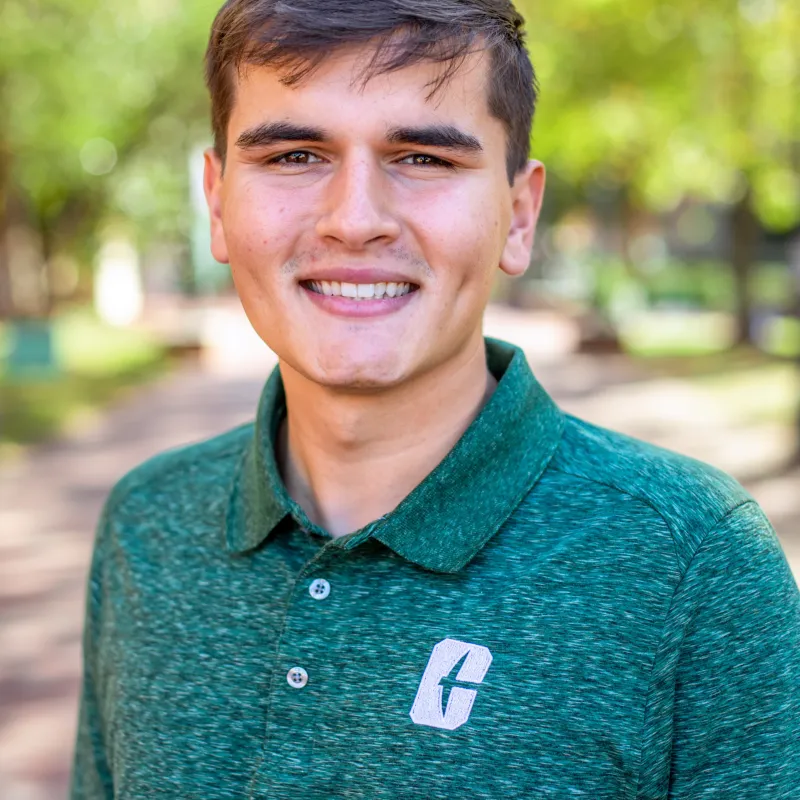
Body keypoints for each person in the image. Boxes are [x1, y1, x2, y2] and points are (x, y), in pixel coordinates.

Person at [70, 0, 800, 797]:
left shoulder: (694, 561)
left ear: (518, 215)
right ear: (217, 202)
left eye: (422, 158)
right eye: (292, 156)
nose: (354, 221)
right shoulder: (146, 523)